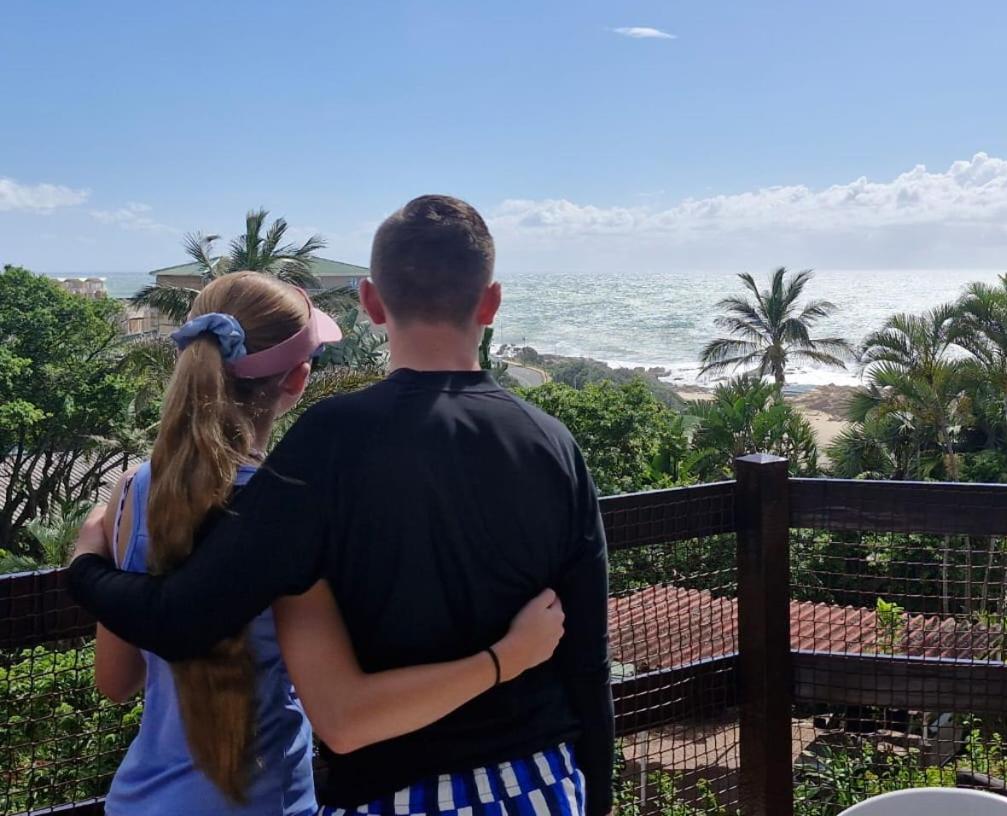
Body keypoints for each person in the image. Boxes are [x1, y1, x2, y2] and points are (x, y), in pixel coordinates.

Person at [72, 197, 614, 816]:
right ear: (490, 303)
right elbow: (588, 658)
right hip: (541, 785)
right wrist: (597, 794)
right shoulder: (553, 443)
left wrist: (85, 566)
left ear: (372, 303)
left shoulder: (330, 440)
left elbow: (182, 617)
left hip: (392, 793)